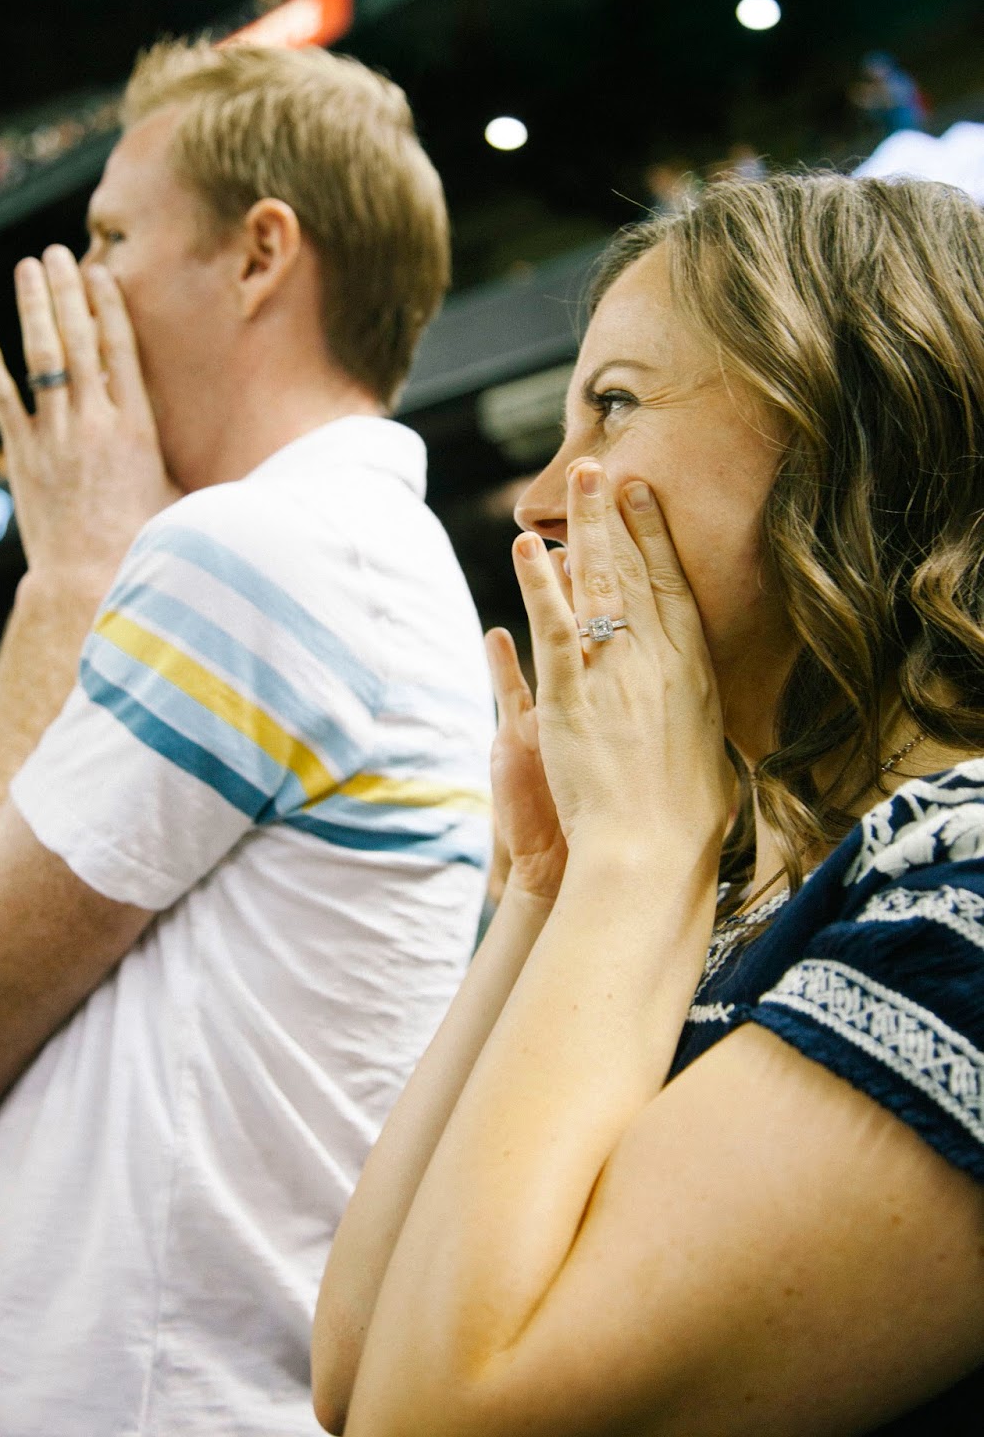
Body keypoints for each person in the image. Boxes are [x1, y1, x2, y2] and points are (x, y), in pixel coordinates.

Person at [313, 172, 984, 1435]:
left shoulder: (962, 898)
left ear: (849, 422)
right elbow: (351, 1361)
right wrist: (549, 881)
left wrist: (632, 856)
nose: (542, 495)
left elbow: (432, 1415)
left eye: (612, 405)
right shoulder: (745, 879)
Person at [0, 39, 493, 1436]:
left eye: (111, 234)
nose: (81, 284)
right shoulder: (354, 545)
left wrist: (67, 581)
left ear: (258, 255)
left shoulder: (251, 554)